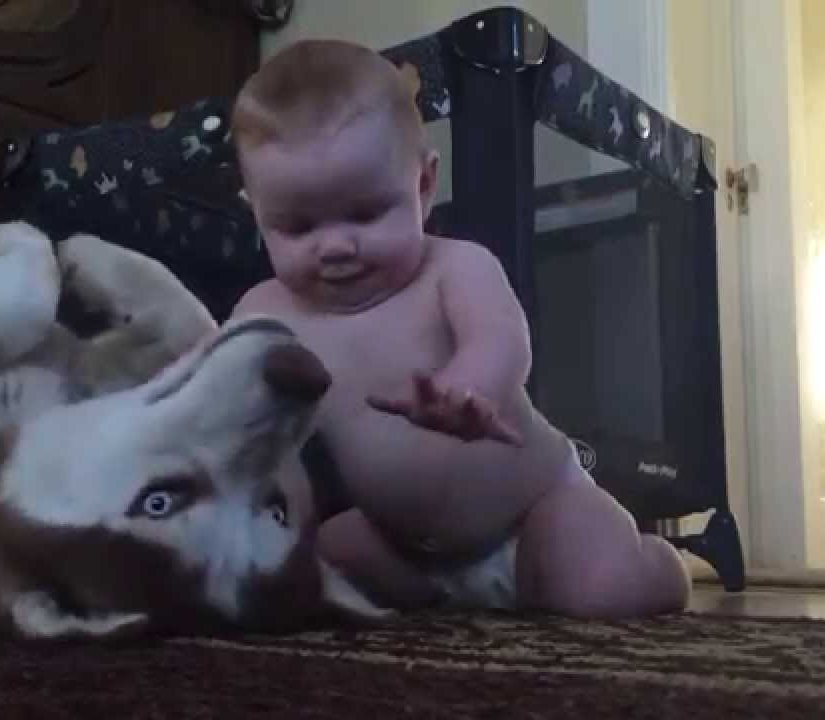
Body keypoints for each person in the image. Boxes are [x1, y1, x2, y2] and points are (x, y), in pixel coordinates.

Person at [228, 38, 690, 618]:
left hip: (533, 512)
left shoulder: (453, 267)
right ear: (258, 213)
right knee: (301, 569)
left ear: (423, 186)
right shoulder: (264, 314)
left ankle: (654, 563)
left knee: (600, 591)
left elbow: (503, 341)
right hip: (400, 544)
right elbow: (221, 400)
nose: (337, 246)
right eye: (297, 227)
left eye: (367, 213)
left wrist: (464, 387)